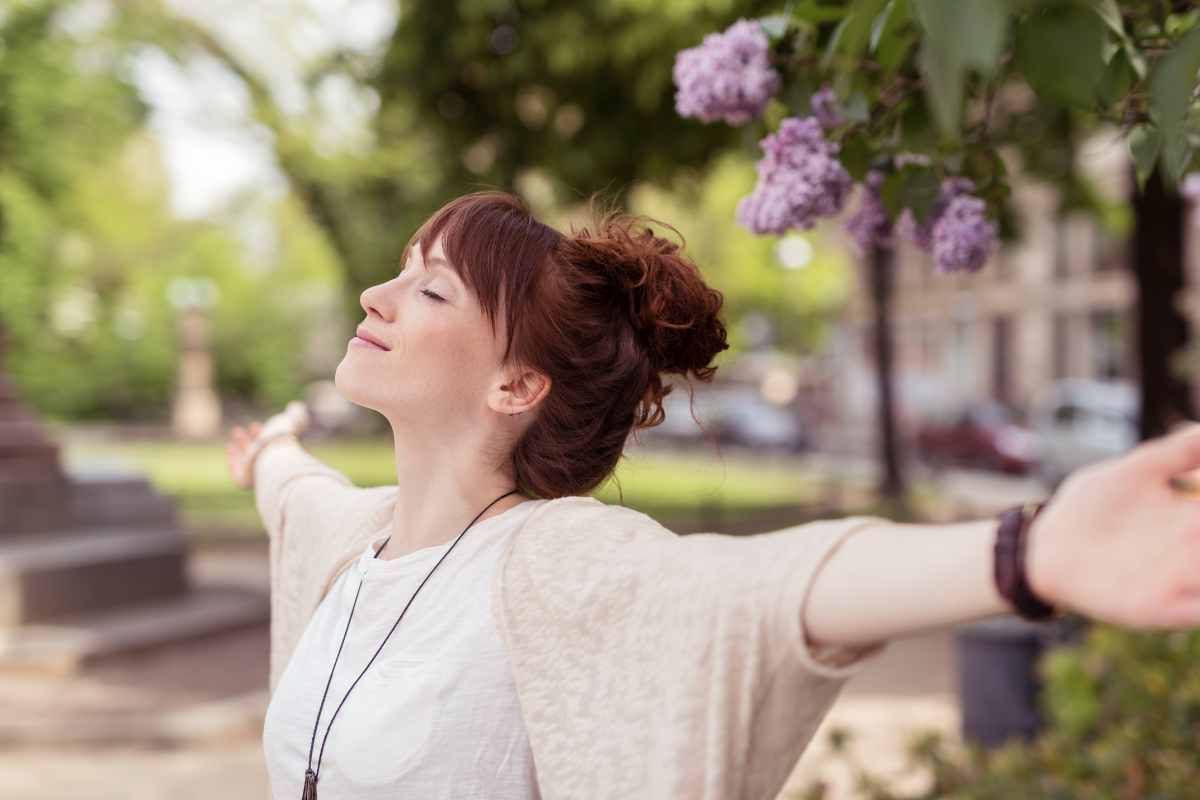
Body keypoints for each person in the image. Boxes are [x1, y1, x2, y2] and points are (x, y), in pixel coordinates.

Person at [226, 191, 1200, 800]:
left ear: (516, 385)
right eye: (398, 272)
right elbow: (291, 487)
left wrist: (1027, 552)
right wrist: (269, 448)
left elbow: (763, 587)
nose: (375, 298)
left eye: (429, 290)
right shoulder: (348, 538)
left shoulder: (549, 562)